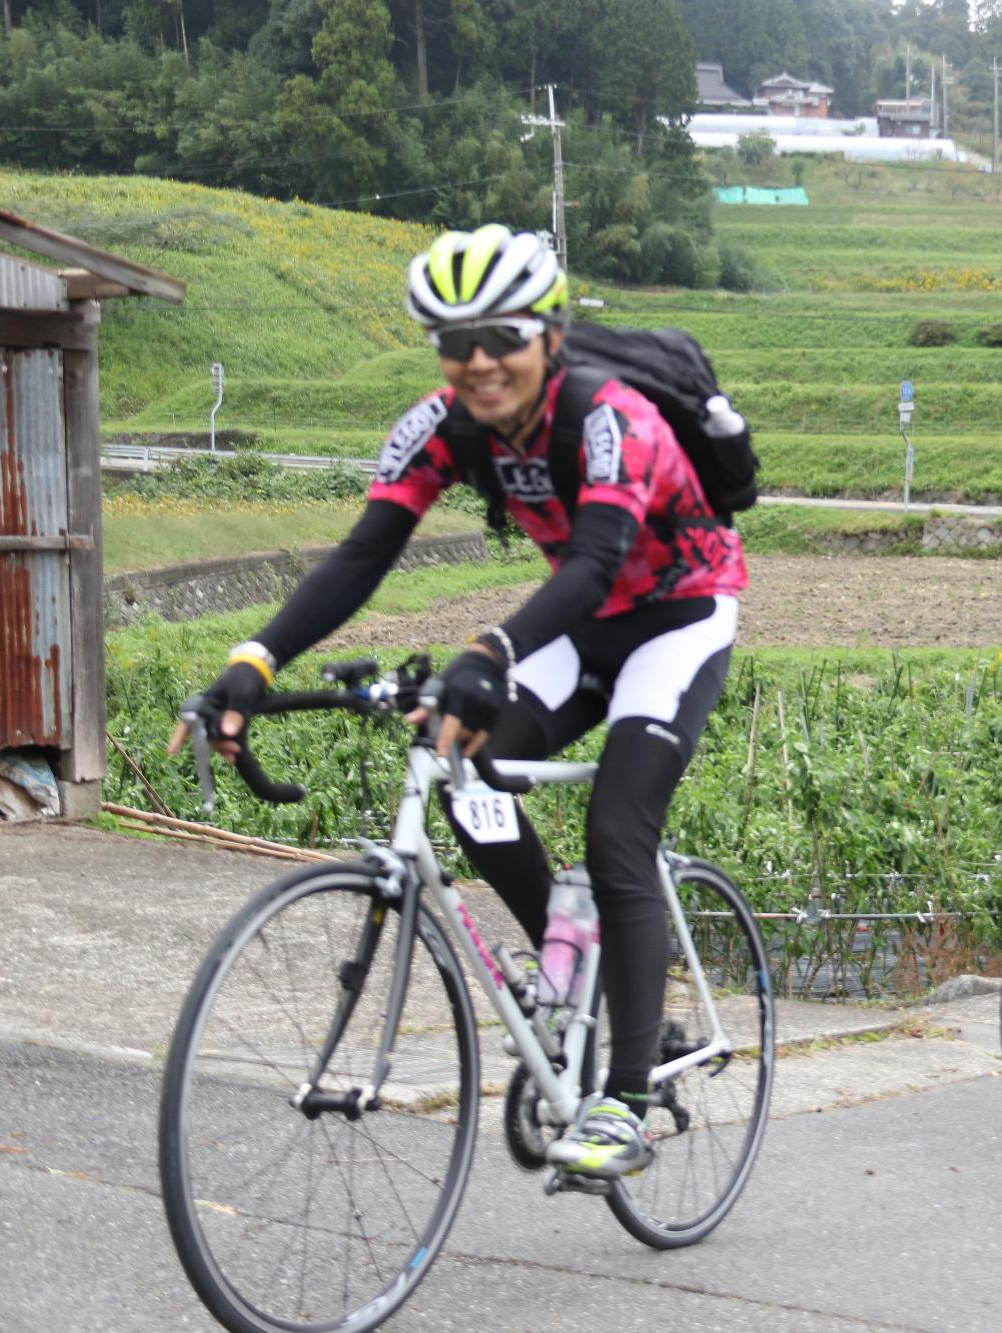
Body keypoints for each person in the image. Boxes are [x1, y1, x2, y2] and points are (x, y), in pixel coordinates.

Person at [169, 225, 746, 1178]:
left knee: (616, 831)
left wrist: (489, 648)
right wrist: (256, 659)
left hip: (679, 618)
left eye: (500, 336)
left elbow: (601, 555)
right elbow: (363, 554)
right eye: (454, 340)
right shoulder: (439, 422)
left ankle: (630, 1096)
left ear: (550, 335)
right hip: (583, 623)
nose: (478, 362)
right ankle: (567, 977)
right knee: (463, 759)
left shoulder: (612, 418)